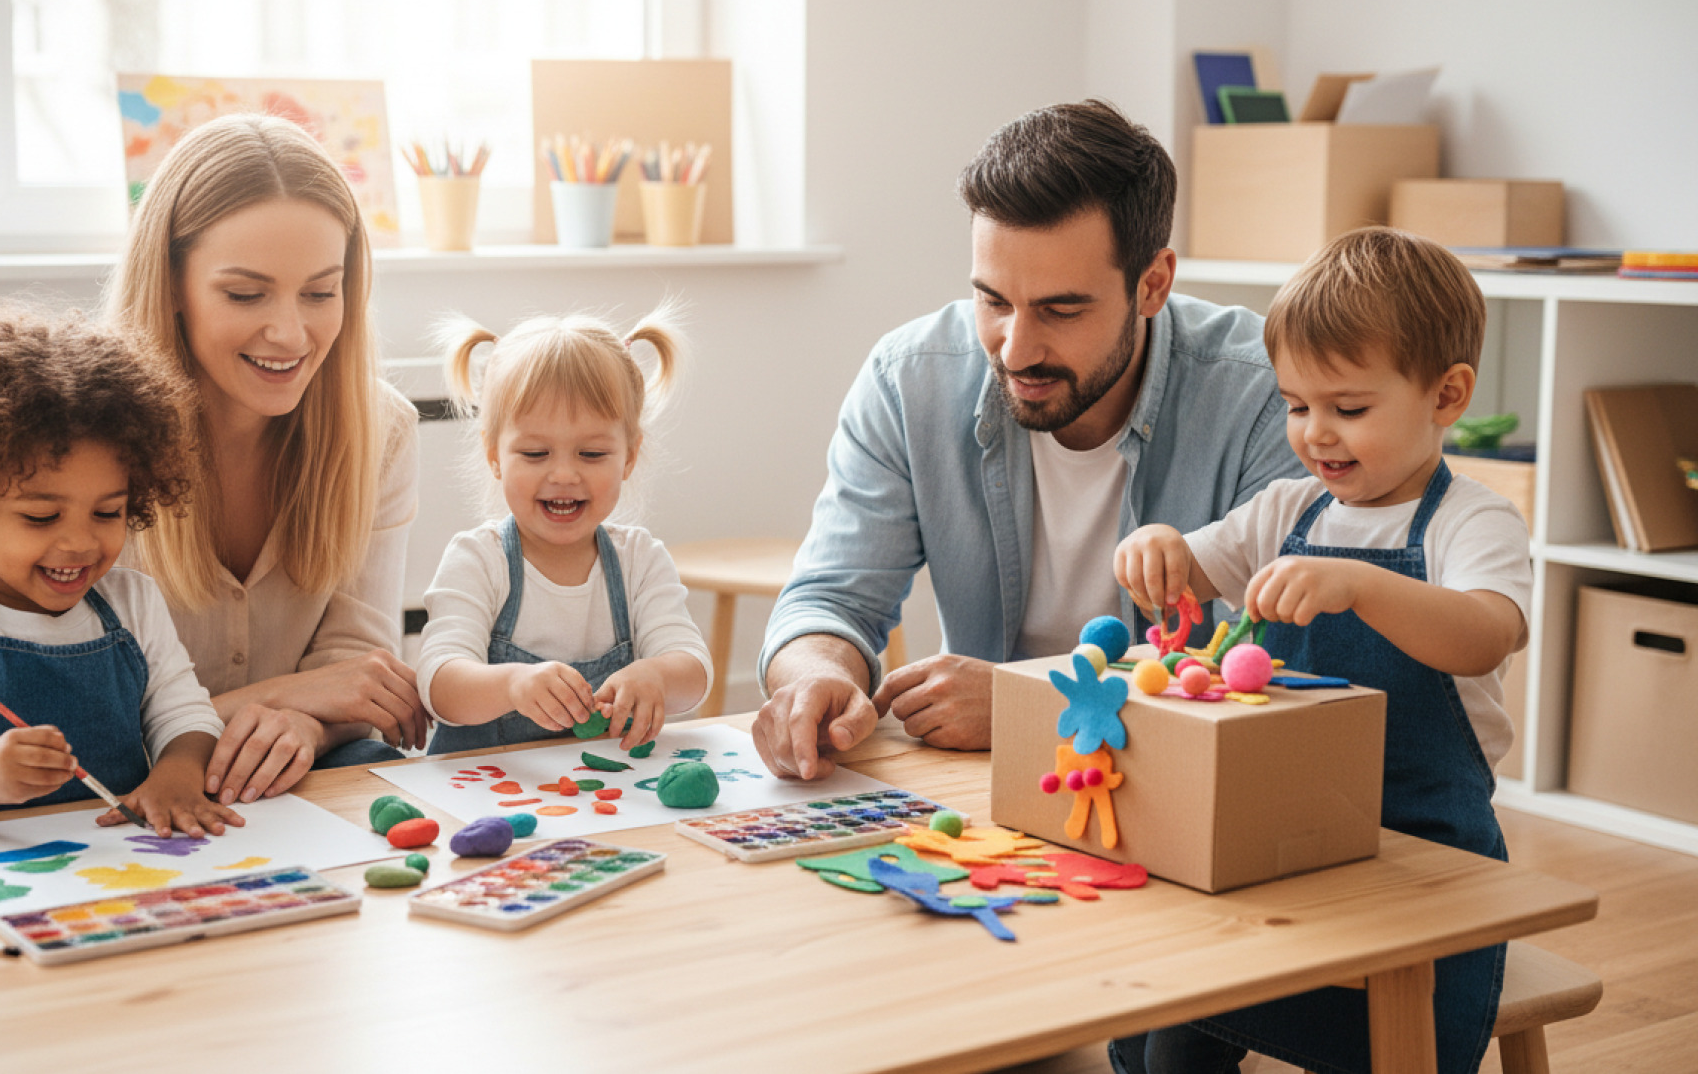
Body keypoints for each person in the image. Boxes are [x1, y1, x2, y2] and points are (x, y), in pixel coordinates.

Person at [753, 99, 1301, 779]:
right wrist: (815, 674)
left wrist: (1030, 701)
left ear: (1152, 284)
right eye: (993, 300)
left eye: (1060, 309)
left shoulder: (1268, 393)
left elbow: (1285, 674)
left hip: (1191, 785)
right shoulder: (908, 379)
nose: (1015, 349)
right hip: (992, 781)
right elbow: (830, 599)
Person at [1107, 226, 1527, 1074]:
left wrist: (1362, 585)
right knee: (1172, 1028)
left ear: (1446, 396)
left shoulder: (1471, 521)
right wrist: (1158, 545)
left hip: (1423, 861)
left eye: (1349, 408)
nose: (1316, 434)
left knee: (1387, 1048)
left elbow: (1487, 631)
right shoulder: (1286, 508)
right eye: (1298, 406)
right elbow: (1194, 565)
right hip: (1283, 843)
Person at [109, 115, 427, 807]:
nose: (290, 332)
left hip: (292, 783)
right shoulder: (87, 441)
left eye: (320, 292)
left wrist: (299, 721)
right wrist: (293, 694)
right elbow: (89, 724)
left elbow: (359, 674)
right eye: (245, 294)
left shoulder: (383, 433)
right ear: (171, 286)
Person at [0, 301, 240, 838]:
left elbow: (188, 718)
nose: (80, 542)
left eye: (108, 512)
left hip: (120, 870)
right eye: (41, 516)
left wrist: (177, 772)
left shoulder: (133, 603)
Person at [418, 310, 711, 754]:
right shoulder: (479, 560)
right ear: (494, 454)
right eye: (535, 453)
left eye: (591, 454)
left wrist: (656, 676)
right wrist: (512, 685)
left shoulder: (640, 561)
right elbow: (440, 685)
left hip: (603, 794)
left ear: (629, 456)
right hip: (482, 789)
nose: (564, 474)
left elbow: (693, 672)